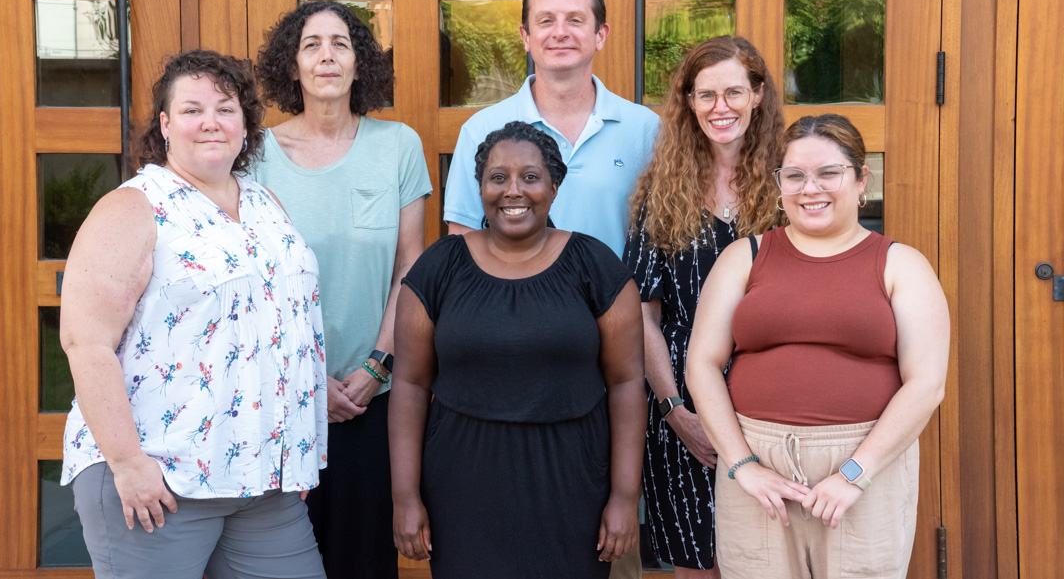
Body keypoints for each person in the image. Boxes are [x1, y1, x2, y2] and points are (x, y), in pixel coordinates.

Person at [59, 50, 328, 579]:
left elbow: (289, 326)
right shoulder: (134, 208)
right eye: (192, 109)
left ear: (246, 124)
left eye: (226, 109)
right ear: (165, 124)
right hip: (161, 481)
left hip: (262, 483)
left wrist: (296, 450)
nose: (211, 122)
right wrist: (129, 465)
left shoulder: (264, 203)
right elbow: (85, 343)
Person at [686, 114, 949, 579]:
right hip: (758, 468)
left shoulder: (901, 265)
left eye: (828, 172)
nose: (810, 188)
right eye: (794, 175)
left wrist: (854, 474)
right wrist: (743, 465)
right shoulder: (743, 257)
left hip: (867, 466)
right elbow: (702, 364)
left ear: (861, 178)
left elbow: (926, 384)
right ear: (779, 183)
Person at [389, 121, 646, 578]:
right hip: (462, 485)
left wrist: (625, 497)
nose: (513, 191)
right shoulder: (439, 267)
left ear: (554, 185)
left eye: (530, 177)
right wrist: (405, 497)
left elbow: (626, 383)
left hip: (571, 483)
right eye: (498, 177)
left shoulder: (595, 266)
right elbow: (409, 383)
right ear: (480, 187)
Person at [253, 0, 431, 579]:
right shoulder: (254, 155)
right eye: (311, 44)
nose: (326, 55)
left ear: (361, 65)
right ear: (292, 64)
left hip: (369, 398)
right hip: (279, 400)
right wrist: (307, 380)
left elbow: (411, 266)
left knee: (362, 562)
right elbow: (250, 283)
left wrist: (378, 365)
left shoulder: (398, 145)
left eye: (341, 44)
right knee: (278, 562)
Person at [624, 36, 784, 577]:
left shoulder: (792, 184)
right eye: (706, 94)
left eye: (734, 92)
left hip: (771, 400)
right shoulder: (662, 189)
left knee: (767, 558)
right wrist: (675, 410)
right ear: (688, 103)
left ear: (758, 95)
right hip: (681, 404)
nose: (721, 107)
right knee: (696, 563)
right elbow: (643, 313)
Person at [443, 0, 659, 258]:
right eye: (546, 21)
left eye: (575, 20)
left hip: (616, 304)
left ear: (600, 35)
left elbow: (664, 242)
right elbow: (463, 246)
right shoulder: (481, 130)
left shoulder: (646, 130)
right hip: (515, 303)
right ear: (526, 37)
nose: (560, 32)